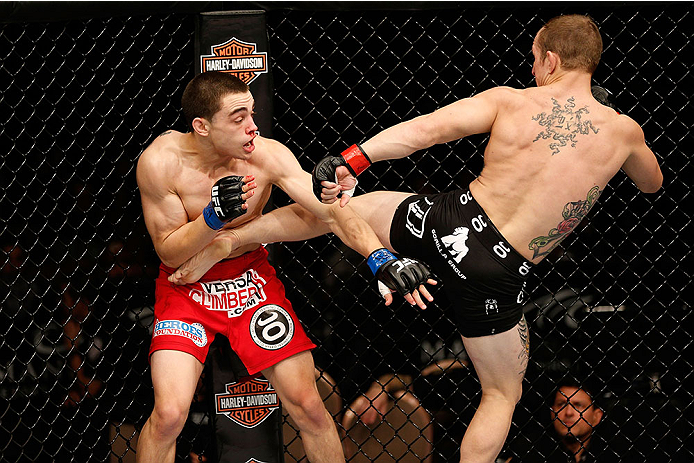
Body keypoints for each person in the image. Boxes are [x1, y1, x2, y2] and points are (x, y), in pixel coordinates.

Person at [169, 14, 662, 462]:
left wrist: (354, 157)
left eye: (535, 61)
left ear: (550, 59)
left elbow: (427, 130)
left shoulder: (510, 100)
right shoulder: (623, 132)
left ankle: (234, 240)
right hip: (501, 269)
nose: (533, 71)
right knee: (500, 395)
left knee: (349, 208)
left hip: (449, 220)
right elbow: (651, 183)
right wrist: (616, 130)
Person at [135, 71, 435, 463]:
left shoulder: (266, 156)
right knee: (169, 416)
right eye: (238, 117)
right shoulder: (160, 162)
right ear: (201, 127)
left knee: (309, 405)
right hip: (185, 287)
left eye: (253, 113)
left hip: (248, 281)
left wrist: (378, 256)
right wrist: (212, 217)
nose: (252, 126)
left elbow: (331, 213)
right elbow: (170, 254)